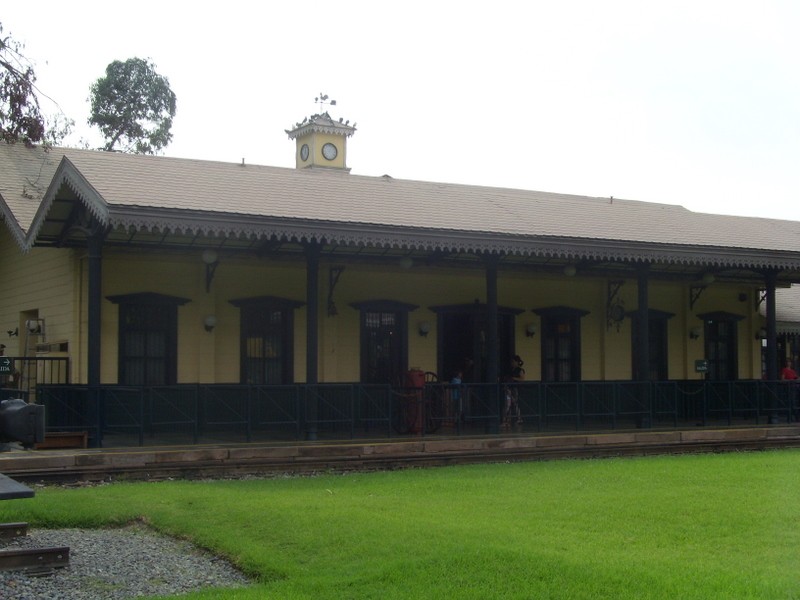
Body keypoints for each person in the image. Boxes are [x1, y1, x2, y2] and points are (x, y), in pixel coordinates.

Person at [503, 355, 525, 428]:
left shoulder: (520, 370)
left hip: (515, 388)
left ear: (517, 362)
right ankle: (507, 419)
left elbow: (522, 379)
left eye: (513, 361)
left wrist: (513, 378)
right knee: (508, 404)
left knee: (515, 403)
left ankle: (519, 418)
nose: (512, 363)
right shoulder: (511, 370)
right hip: (508, 388)